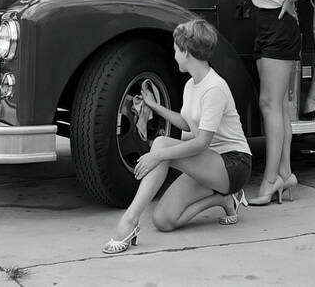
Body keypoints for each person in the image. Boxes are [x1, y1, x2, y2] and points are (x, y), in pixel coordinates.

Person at [171, 0, 315, 205]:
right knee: (278, 106)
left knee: (270, 104)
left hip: (280, 32)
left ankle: (270, 181)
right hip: (263, 29)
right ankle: (285, 174)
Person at [102, 19, 252, 255]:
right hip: (207, 162)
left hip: (233, 163)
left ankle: (129, 220)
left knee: (161, 144)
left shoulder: (214, 88)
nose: (174, 55)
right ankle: (224, 200)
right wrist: (155, 106)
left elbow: (201, 141)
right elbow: (188, 124)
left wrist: (159, 155)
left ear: (187, 52)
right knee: (164, 220)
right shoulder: (191, 85)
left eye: (175, 50)